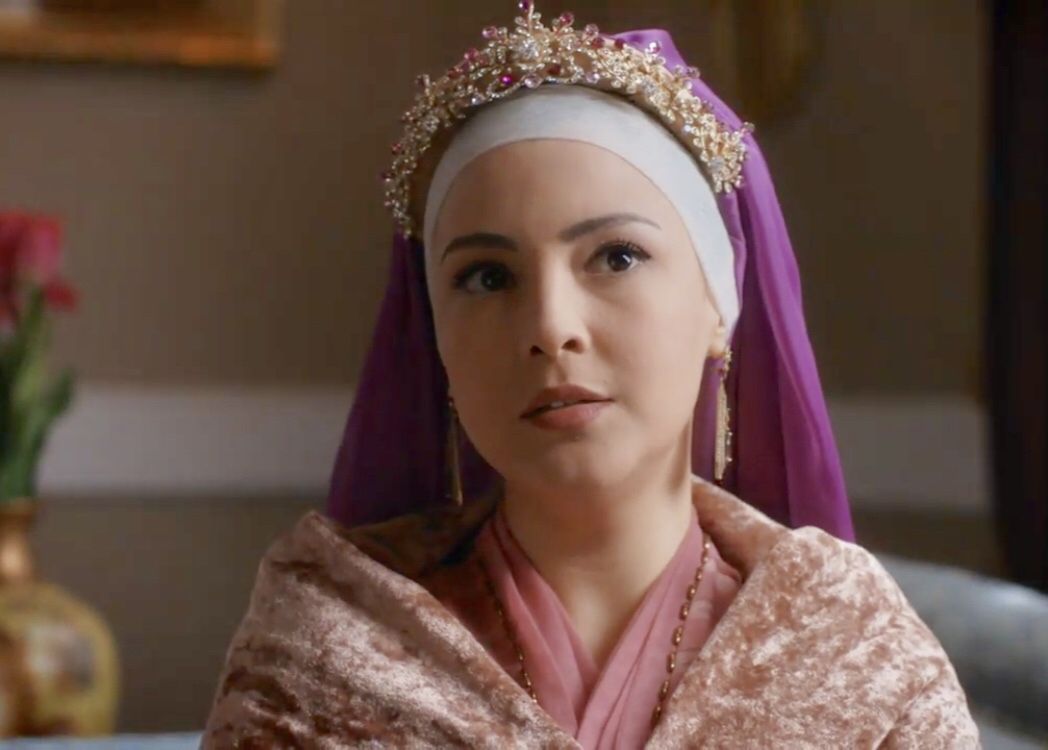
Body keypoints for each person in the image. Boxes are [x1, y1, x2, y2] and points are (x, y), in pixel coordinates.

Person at [202, 4, 980, 747]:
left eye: (616, 257)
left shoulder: (855, 655)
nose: (550, 327)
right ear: (435, 335)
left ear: (719, 306)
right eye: (487, 277)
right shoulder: (321, 650)